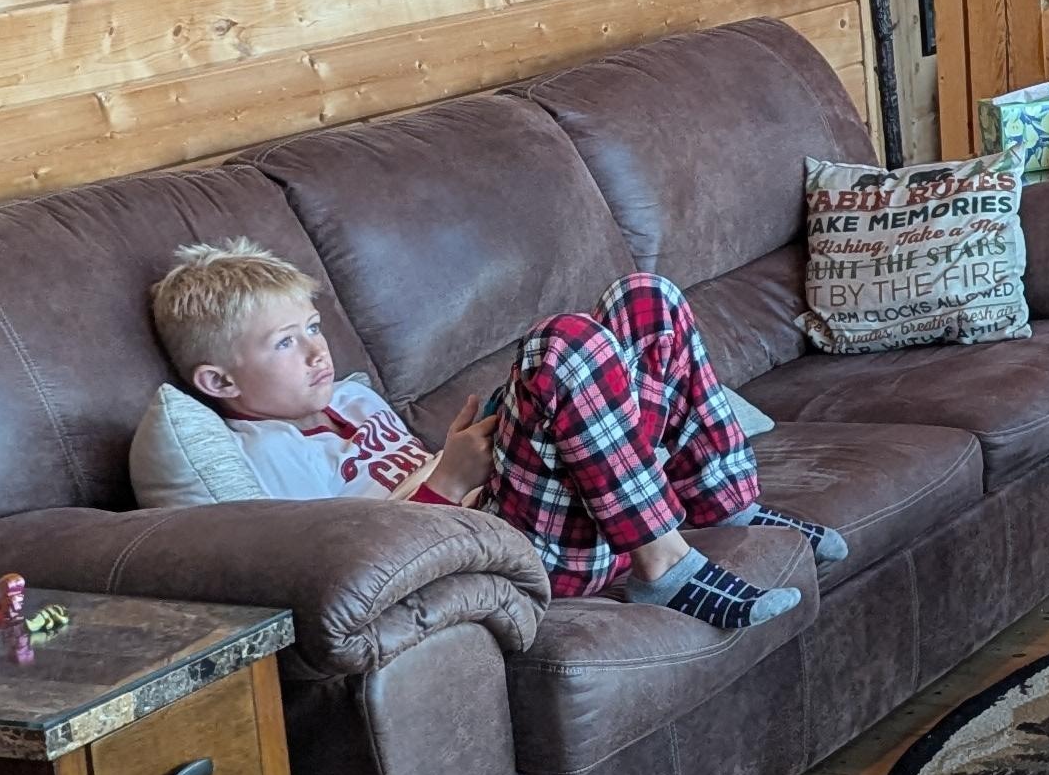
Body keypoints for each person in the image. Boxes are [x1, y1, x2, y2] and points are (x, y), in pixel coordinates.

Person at [145, 239, 837, 633]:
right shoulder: (264, 460)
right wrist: (449, 480)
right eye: (283, 343)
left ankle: (724, 507)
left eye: (313, 328)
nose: (315, 350)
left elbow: (412, 469)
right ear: (219, 381)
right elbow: (350, 565)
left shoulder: (352, 396)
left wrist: (475, 448)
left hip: (522, 505)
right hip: (504, 551)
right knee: (562, 345)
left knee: (645, 298)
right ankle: (663, 566)